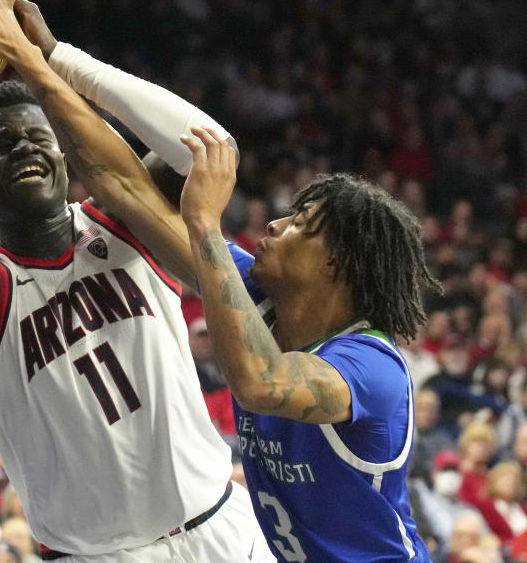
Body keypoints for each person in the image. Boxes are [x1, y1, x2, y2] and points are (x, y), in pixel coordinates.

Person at [0, 0, 271, 561]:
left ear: (65, 153)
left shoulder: (126, 223)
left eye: (38, 136)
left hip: (222, 527)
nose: (25, 148)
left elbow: (211, 149)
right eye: (1, 145)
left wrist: (58, 57)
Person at [177, 127, 434, 560]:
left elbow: (260, 383)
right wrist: (54, 70)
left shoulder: (371, 365)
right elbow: (128, 191)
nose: (274, 224)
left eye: (298, 224)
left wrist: (204, 221)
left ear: (333, 260)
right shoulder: (259, 295)